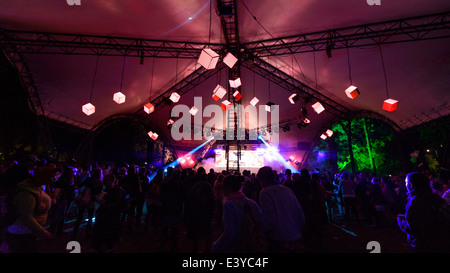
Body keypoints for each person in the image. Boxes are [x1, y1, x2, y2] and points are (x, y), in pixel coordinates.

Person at [5, 164, 57, 253]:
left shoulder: (36, 188)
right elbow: (27, 216)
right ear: (42, 177)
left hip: (27, 232)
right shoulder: (27, 193)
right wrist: (42, 232)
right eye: (50, 177)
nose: (53, 179)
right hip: (21, 233)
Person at [212, 175, 267, 253]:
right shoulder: (252, 203)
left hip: (237, 247)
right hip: (253, 245)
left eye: (224, 187)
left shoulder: (229, 204)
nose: (222, 189)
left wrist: (216, 246)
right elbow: (263, 225)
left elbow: (230, 233)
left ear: (229, 187)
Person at [397, 172, 450, 252]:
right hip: (443, 242)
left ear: (411, 185)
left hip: (425, 245)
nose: (405, 185)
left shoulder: (414, 203)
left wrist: (402, 223)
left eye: (406, 183)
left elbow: (415, 229)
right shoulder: (437, 199)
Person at [257, 166, 305, 252]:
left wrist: (263, 232)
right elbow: (300, 213)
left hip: (278, 238)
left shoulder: (265, 192)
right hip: (295, 235)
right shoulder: (287, 190)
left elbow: (269, 219)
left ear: (262, 179)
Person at [92, 173, 124, 253]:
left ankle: (108, 247)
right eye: (104, 181)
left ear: (112, 181)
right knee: (100, 232)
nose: (104, 183)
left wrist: (105, 203)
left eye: (106, 181)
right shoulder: (105, 189)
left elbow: (119, 204)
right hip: (103, 214)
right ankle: (100, 247)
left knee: (108, 233)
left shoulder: (117, 191)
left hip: (111, 215)